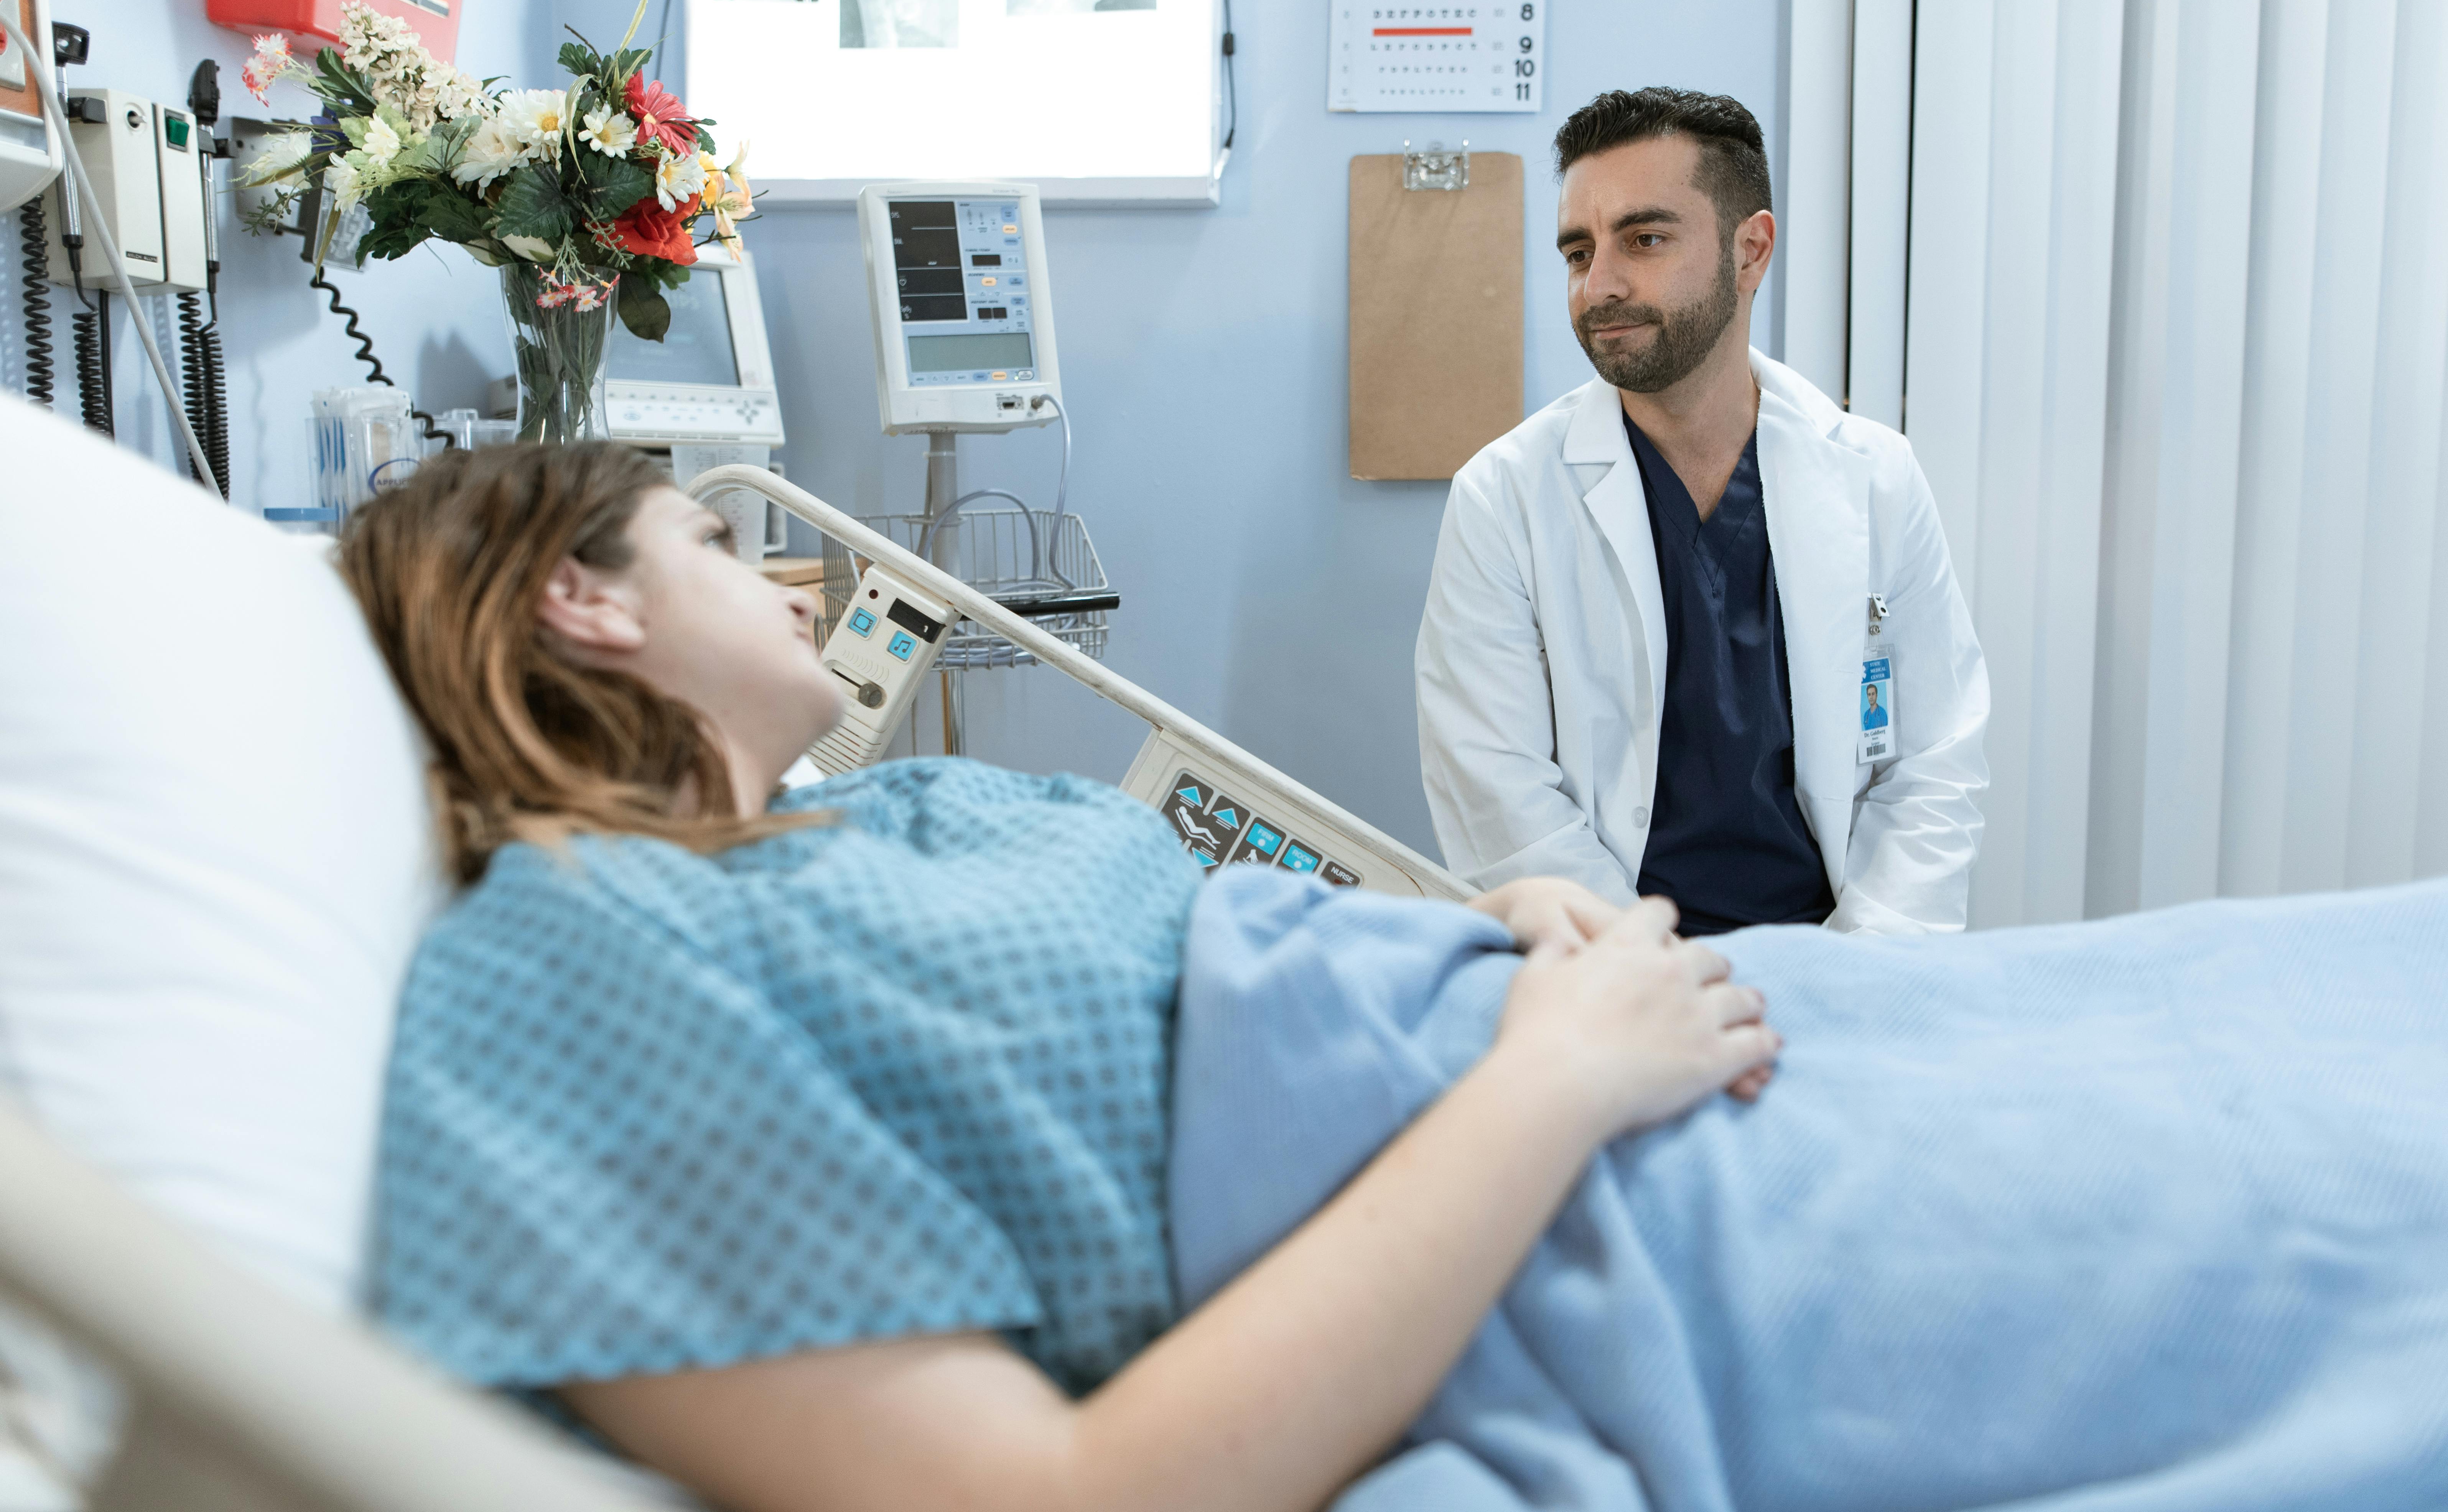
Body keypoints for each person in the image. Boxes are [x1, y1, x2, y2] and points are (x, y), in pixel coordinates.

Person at [341, 443, 1778, 1512]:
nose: (791, 581)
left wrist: (1478, 918)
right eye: (716, 540)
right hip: (1599, 1167)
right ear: (577, 599)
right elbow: (1057, 1492)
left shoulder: (854, 823)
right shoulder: (565, 972)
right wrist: (1553, 1080)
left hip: (1602, 1024)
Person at [1416, 87, 1989, 935]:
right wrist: (1655, 974)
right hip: (1613, 964)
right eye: (1579, 252)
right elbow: (1495, 789)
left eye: (1644, 239)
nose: (1599, 285)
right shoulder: (1502, 500)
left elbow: (1937, 761)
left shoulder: (1877, 477)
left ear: (1750, 251)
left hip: (1847, 957)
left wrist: (1862, 966)